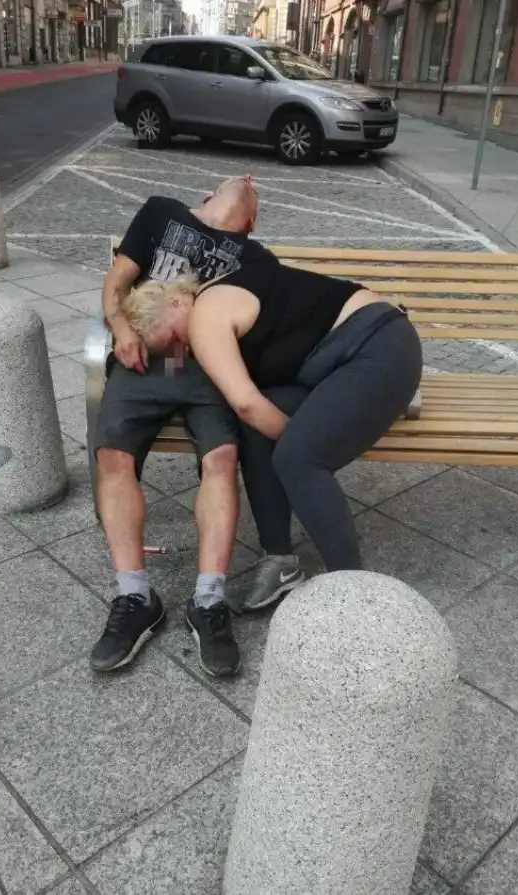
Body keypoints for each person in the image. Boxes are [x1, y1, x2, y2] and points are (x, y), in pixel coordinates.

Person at [118, 250, 423, 612]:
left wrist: (305, 444)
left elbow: (246, 402)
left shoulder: (204, 316)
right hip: (333, 366)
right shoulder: (214, 297)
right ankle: (280, 561)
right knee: (257, 429)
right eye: (168, 351)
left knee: (298, 458)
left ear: (175, 302)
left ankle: (355, 593)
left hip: (378, 348)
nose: (179, 352)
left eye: (172, 339)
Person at [90, 176, 261, 678]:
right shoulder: (160, 212)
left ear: (250, 223)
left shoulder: (252, 255)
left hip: (208, 366)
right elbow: (116, 283)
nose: (248, 179)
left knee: (222, 458)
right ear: (206, 196)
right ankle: (136, 597)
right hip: (142, 358)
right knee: (113, 456)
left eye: (252, 192)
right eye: (239, 182)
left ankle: (208, 601)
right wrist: (122, 328)